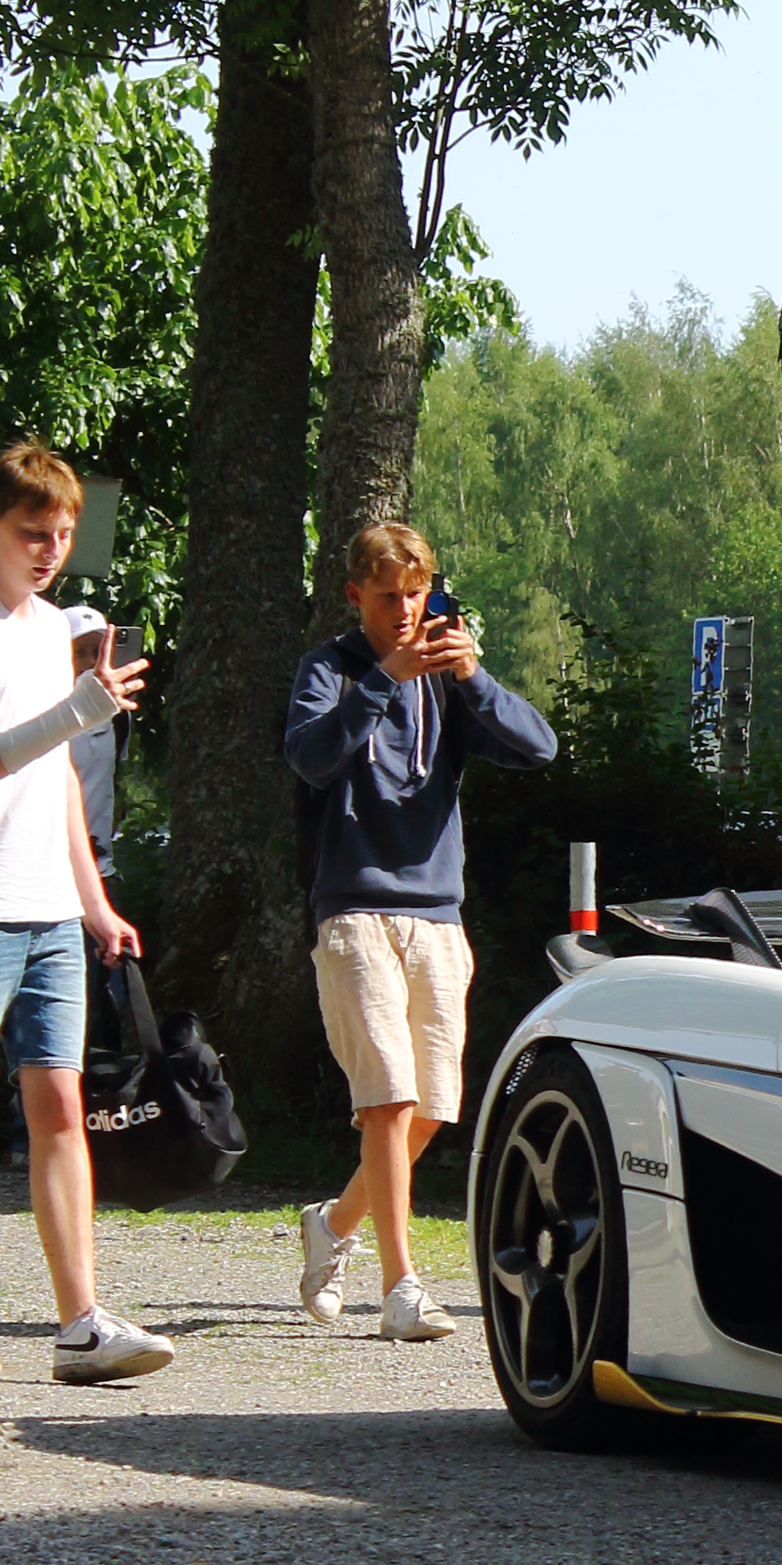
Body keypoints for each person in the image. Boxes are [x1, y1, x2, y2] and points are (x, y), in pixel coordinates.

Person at [285, 522, 556, 1340]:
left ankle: (332, 1226)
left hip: (438, 912)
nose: (403, 611)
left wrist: (470, 676)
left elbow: (537, 746)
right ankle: (400, 1287)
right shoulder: (329, 669)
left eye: (414, 593)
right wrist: (382, 680)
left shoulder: (445, 673)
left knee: (434, 1105)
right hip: (354, 906)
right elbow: (310, 755)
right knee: (389, 1098)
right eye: (386, 596)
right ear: (354, 596)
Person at [0, 438, 170, 1380]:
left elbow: (61, 774)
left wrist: (93, 900)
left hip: (48, 913)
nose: (50, 549)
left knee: (61, 1105)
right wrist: (79, 711)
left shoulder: (46, 627)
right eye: (32, 531)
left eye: (63, 532)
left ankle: (79, 1324)